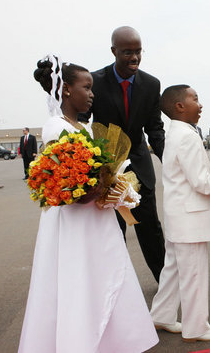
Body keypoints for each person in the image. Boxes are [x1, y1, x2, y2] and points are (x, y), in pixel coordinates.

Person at [19, 55, 159, 353]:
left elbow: (93, 176)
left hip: (95, 220)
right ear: (67, 89)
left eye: (93, 88)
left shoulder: (80, 128)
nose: (92, 94)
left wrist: (118, 189)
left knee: (103, 277)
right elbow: (71, 187)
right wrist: (103, 188)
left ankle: (112, 342)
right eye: (87, 87)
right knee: (81, 281)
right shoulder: (57, 128)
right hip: (76, 224)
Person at [150, 85, 210, 342]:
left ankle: (162, 315)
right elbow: (202, 182)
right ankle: (197, 327)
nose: (200, 105)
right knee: (193, 273)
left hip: (180, 214)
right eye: (195, 99)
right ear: (179, 106)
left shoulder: (178, 132)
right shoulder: (187, 136)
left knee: (174, 270)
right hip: (190, 217)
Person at [78, 26, 166, 283]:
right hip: (106, 168)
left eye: (138, 51)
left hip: (139, 164)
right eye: (128, 52)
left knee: (150, 227)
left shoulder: (151, 84)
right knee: (112, 231)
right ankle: (116, 287)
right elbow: (81, 123)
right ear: (114, 51)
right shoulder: (94, 81)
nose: (134, 57)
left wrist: (170, 159)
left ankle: (165, 285)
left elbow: (155, 129)